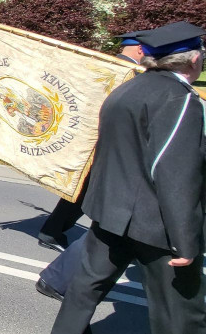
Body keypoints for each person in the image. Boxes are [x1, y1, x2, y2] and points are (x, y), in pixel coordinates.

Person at [52, 21, 206, 334]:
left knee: (83, 292)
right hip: (156, 224)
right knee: (181, 315)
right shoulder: (179, 99)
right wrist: (186, 241)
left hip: (111, 215)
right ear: (192, 59)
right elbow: (176, 174)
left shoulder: (128, 88)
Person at [37, 31, 147, 253]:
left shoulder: (109, 67)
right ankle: (57, 233)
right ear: (141, 50)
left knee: (84, 191)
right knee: (92, 191)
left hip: (95, 142)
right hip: (106, 143)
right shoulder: (127, 74)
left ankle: (53, 231)